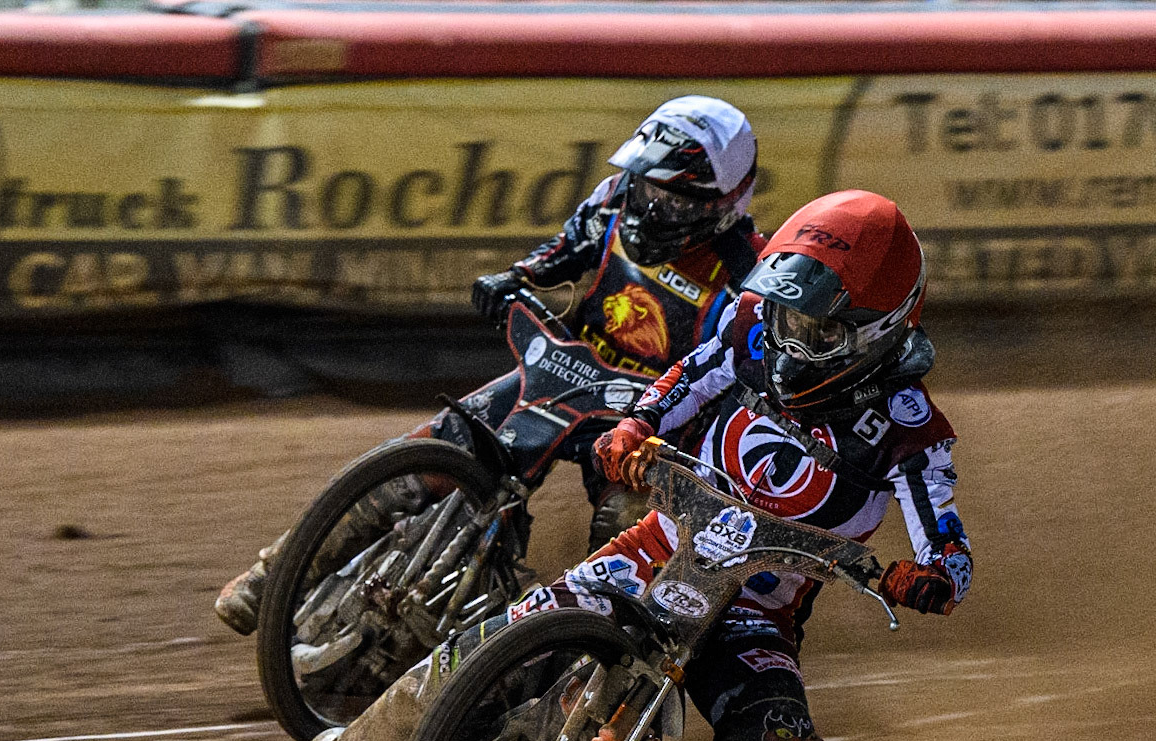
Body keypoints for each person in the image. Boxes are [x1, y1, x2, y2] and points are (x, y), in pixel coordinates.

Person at [253, 189, 974, 741]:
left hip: (752, 614)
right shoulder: (750, 327)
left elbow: (948, 544)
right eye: (785, 312)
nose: (791, 337)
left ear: (880, 328)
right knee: (491, 644)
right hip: (653, 547)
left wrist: (929, 576)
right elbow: (685, 378)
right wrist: (635, 427)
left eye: (819, 328)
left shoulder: (911, 431)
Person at [214, 95, 765, 635]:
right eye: (648, 187)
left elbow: (738, 376)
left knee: (626, 530)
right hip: (562, 374)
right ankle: (272, 577)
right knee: (421, 453)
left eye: (674, 200)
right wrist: (515, 278)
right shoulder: (613, 200)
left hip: (642, 426)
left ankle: (587, 657)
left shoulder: (749, 273)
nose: (652, 207)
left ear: (723, 205)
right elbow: (562, 252)